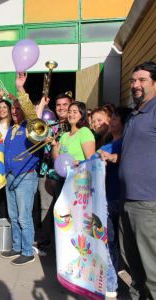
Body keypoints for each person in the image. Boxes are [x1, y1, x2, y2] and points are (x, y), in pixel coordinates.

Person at [74, 107, 132, 298]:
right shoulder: (109, 142)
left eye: (113, 119)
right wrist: (80, 164)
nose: (108, 123)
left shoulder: (122, 144)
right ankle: (110, 281)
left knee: (105, 242)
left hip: (110, 199)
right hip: (106, 198)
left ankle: (110, 285)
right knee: (110, 243)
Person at [118, 61, 156, 300]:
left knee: (151, 263)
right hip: (127, 198)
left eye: (142, 80)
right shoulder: (135, 113)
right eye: (133, 80)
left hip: (147, 201)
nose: (135, 85)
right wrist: (114, 156)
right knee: (132, 260)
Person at [0, 72, 46, 266]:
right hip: (10, 177)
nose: (16, 112)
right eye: (14, 109)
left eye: (19, 109)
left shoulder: (30, 126)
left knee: (24, 217)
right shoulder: (11, 129)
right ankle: (17, 246)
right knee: (13, 216)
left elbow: (29, 111)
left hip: (25, 178)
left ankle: (27, 251)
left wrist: (20, 90)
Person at [35, 93, 73, 250]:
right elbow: (36, 124)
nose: (62, 107)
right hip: (46, 171)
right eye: (59, 105)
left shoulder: (75, 126)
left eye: (65, 104)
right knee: (45, 207)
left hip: (66, 176)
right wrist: (42, 103)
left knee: (65, 210)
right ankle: (45, 238)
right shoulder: (51, 124)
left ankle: (64, 243)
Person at [0, 99, 13, 218]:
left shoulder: (14, 126)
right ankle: (1, 217)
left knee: (10, 196)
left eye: (4, 107)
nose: (2, 110)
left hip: (10, 166)